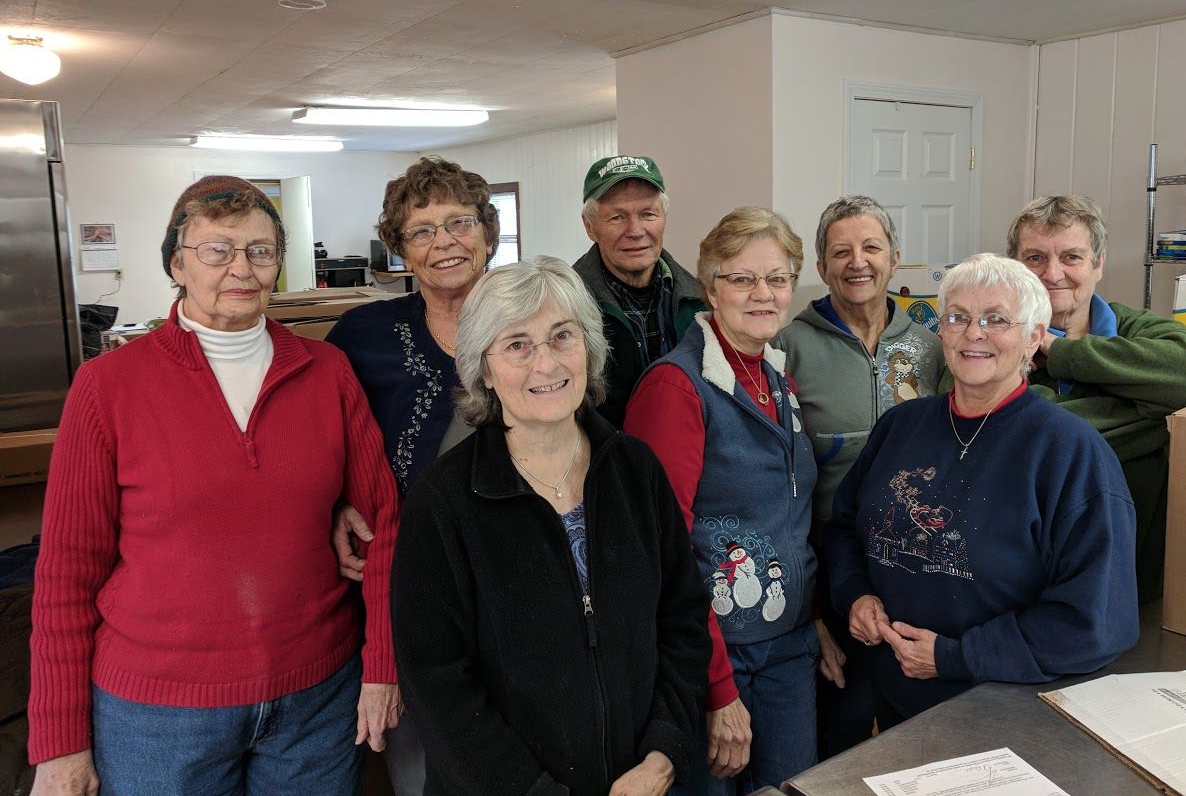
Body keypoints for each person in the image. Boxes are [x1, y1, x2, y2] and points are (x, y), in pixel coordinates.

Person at [28, 176, 400, 796]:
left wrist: (381, 665)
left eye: (260, 250)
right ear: (177, 262)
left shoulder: (327, 372)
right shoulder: (107, 387)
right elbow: (66, 572)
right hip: (157, 714)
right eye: (216, 249)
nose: (241, 268)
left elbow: (384, 522)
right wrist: (59, 743)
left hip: (314, 699)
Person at [392, 257, 711, 796]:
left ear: (589, 346)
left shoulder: (636, 470)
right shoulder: (442, 502)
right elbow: (437, 685)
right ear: (484, 369)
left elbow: (682, 622)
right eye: (517, 344)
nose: (546, 363)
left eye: (563, 336)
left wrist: (664, 754)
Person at [824, 252, 1139, 726]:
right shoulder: (900, 427)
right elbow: (844, 528)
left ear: (1035, 337)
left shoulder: (1072, 454)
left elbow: (1093, 622)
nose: (975, 333)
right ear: (941, 331)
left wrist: (956, 656)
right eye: (958, 317)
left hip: (1001, 710)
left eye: (997, 320)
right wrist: (855, 594)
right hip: (891, 703)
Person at [625, 207, 838, 795]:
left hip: (788, 649)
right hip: (715, 660)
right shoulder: (675, 386)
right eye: (742, 278)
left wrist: (813, 615)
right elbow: (663, 549)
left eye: (776, 278)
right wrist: (718, 689)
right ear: (710, 287)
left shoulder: (773, 374)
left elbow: (788, 517)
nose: (762, 294)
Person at [325, 155, 499, 795]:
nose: (444, 241)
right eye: (421, 231)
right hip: (409, 579)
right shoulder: (361, 335)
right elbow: (323, 440)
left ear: (487, 231)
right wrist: (337, 505)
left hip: (517, 572)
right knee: (421, 761)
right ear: (400, 249)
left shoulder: (530, 316)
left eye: (458, 222)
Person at [774, 195, 945, 755]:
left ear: (895, 258)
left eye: (871, 247)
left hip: (911, 558)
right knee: (843, 707)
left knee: (910, 711)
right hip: (826, 555)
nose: (858, 263)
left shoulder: (928, 347)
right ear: (821, 268)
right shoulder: (788, 345)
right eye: (840, 252)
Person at [1007, 195, 1186, 602]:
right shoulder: (988, 338)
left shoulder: (1133, 327)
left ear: (1099, 264)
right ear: (1015, 269)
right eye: (1035, 258)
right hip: (1017, 590)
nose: (1053, 273)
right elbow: (1004, 436)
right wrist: (1150, 416)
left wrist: (1062, 354)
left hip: (1130, 589)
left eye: (1072, 257)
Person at [573, 155, 705, 426]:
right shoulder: (566, 304)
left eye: (648, 214)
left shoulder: (700, 299)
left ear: (664, 218)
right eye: (617, 217)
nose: (635, 231)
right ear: (590, 227)